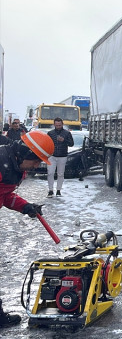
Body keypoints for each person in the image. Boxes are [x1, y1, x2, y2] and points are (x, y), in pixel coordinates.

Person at [0, 131, 54, 328]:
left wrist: (25, 206)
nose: (37, 166)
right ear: (25, 154)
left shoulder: (13, 167)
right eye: (37, 161)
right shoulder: (1, 164)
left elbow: (4, 196)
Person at [46, 118, 74, 197]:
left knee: (60, 174)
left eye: (60, 125)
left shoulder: (67, 133)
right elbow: (46, 144)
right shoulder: (50, 133)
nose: (58, 126)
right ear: (54, 124)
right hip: (52, 156)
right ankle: (50, 190)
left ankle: (58, 190)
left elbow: (71, 144)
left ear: (62, 124)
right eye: (56, 125)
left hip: (62, 156)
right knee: (50, 173)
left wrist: (64, 140)